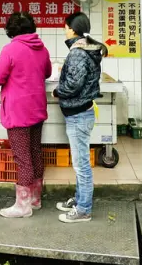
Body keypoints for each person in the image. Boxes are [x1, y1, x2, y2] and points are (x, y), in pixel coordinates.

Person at [0, 12, 51, 218]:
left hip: (18, 112)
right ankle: (35, 198)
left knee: (22, 158)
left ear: (11, 30)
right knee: (35, 152)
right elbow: (48, 72)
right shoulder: (42, 48)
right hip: (37, 108)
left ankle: (22, 206)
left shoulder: (11, 49)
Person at [53, 12, 107, 224]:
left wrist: (58, 91)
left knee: (81, 164)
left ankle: (84, 209)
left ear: (72, 29)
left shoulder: (77, 52)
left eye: (66, 27)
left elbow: (74, 84)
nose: (64, 30)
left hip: (78, 114)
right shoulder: (88, 48)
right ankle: (79, 200)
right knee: (79, 161)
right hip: (82, 111)